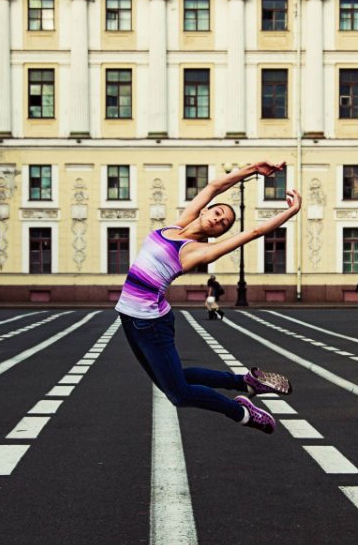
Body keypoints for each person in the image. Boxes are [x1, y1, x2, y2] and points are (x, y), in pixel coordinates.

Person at [116, 159, 300, 434]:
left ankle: (241, 411)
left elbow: (255, 232)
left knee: (179, 394)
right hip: (130, 316)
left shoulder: (198, 251)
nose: (218, 219)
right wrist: (252, 169)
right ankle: (246, 381)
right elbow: (214, 186)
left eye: (223, 223)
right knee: (170, 380)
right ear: (206, 210)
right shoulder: (176, 226)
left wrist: (291, 211)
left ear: (219, 233)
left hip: (150, 322)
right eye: (217, 212)